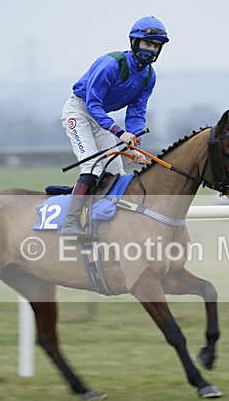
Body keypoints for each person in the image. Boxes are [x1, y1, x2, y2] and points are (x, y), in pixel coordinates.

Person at [59, 16, 169, 237]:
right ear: (134, 42)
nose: (151, 50)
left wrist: (134, 146)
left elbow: (136, 113)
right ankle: (70, 223)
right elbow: (93, 104)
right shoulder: (110, 65)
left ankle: (103, 223)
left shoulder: (149, 76)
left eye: (156, 46)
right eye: (147, 44)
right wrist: (119, 133)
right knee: (92, 168)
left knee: (116, 173)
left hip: (101, 119)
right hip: (79, 111)